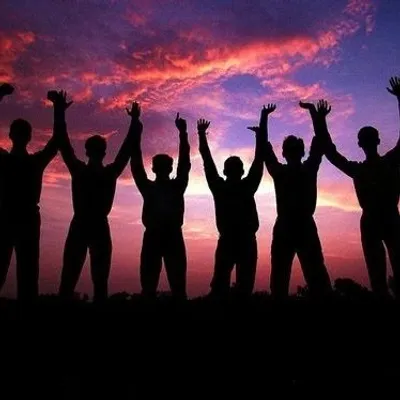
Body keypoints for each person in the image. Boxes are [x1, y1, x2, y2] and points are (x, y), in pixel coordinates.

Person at [301, 76, 400, 298]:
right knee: (377, 279)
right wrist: (319, 120)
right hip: (375, 221)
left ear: (363, 143)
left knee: (381, 277)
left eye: (368, 138)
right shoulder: (372, 167)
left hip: (388, 220)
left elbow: (330, 152)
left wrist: (319, 119)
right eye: (367, 139)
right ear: (371, 142)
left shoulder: (383, 164)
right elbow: (330, 152)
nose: (368, 142)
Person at [51, 90, 140, 302]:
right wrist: (134, 122)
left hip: (83, 225)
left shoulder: (80, 170)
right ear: (104, 153)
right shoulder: (107, 173)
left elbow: (63, 143)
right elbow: (127, 150)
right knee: (97, 282)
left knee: (70, 280)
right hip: (95, 226)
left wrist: (59, 112)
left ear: (86, 151)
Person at [197, 105, 271, 298]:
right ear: (241, 171)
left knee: (230, 286)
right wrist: (260, 133)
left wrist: (202, 135)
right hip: (237, 241)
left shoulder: (225, 187)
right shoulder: (241, 186)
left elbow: (207, 160)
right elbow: (259, 159)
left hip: (237, 240)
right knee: (230, 286)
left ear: (226, 171)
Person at [265, 103, 332, 299]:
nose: (294, 153)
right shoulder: (299, 170)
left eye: (295, 150)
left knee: (313, 277)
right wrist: (317, 116)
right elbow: (266, 149)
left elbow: (266, 149)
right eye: (292, 150)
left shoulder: (297, 170)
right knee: (284, 278)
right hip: (292, 226)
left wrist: (317, 116)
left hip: (298, 226)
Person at [0, 83, 59, 301]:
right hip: (18, 218)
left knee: (25, 274)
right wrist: (58, 109)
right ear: (29, 137)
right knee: (27, 275)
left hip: (12, 217)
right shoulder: (32, 162)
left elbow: (55, 144)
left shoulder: (8, 160)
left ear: (10, 135)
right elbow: (55, 143)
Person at [130, 112, 191, 300]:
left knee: (166, 287)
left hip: (164, 236)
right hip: (161, 237)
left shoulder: (157, 187)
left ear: (154, 168)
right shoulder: (172, 186)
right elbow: (184, 163)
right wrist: (182, 133)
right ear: (169, 168)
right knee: (164, 288)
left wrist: (136, 128)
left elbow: (136, 163)